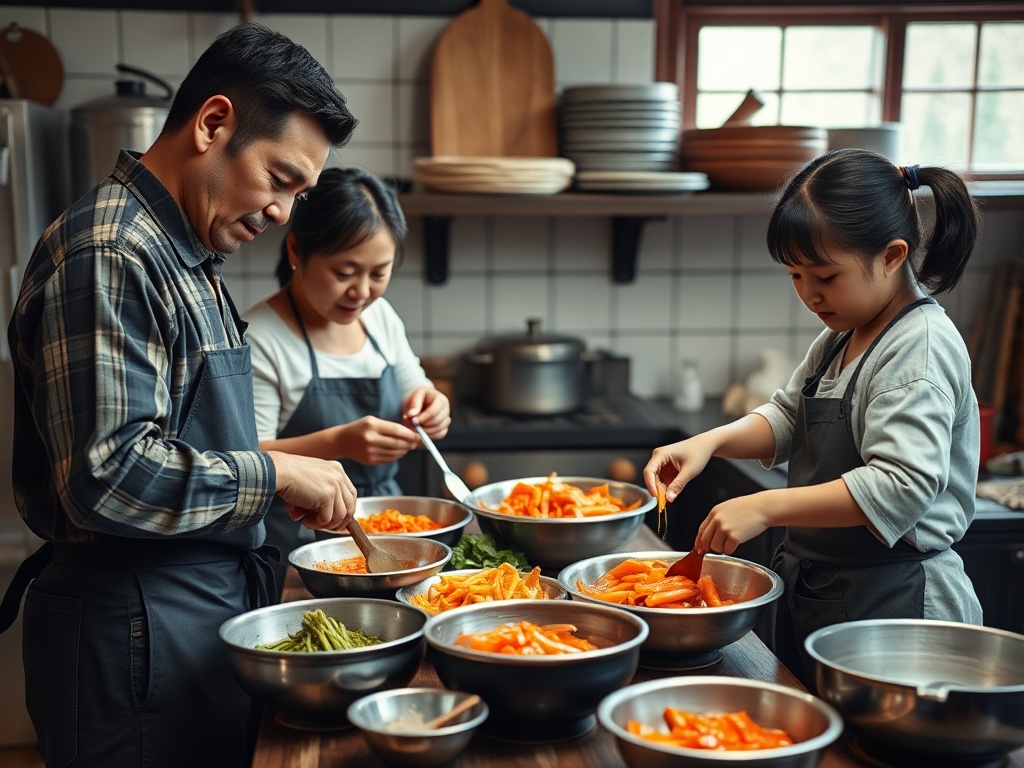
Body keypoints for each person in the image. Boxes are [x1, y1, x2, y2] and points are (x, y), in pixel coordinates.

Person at [0, 23, 360, 768]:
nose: (284, 212)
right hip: (129, 635)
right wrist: (276, 473)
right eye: (280, 178)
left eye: (300, 192)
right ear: (213, 123)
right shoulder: (113, 253)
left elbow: (179, 443)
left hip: (181, 622)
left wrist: (277, 475)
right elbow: (107, 477)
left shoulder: (184, 255)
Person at [644, 149, 984, 689]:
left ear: (894, 255)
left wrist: (764, 506)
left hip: (899, 605)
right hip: (830, 593)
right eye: (795, 275)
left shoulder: (918, 348)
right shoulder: (845, 333)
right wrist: (708, 442)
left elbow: (901, 485)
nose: (808, 293)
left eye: (824, 274)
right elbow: (788, 414)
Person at [244, 167, 450, 593]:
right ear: (297, 250)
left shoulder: (380, 318)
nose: (361, 292)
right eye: (344, 272)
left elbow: (417, 386)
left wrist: (431, 404)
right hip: (294, 547)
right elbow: (248, 456)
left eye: (378, 273)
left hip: (383, 535)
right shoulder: (260, 337)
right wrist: (341, 442)